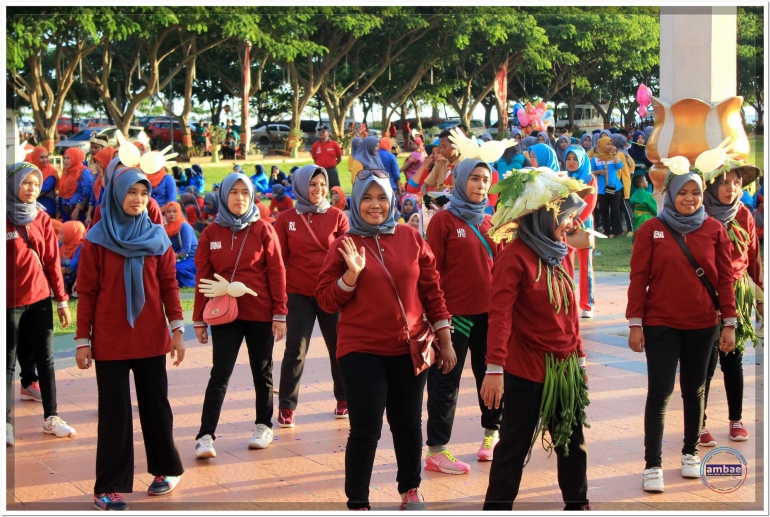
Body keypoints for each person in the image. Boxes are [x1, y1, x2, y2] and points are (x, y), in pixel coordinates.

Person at [315, 168, 454, 511]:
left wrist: (445, 339)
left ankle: (411, 488)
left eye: (381, 197)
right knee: (366, 428)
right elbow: (325, 299)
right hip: (360, 351)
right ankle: (358, 501)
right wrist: (350, 276)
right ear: (355, 201)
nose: (374, 205)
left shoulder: (410, 237)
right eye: (366, 198)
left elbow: (432, 291)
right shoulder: (343, 244)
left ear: (392, 199)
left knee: (407, 423)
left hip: (409, 349)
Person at [76, 166, 186, 510]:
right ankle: (107, 486)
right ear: (116, 194)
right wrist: (82, 340)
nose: (138, 199)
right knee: (114, 413)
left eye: (143, 193)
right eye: (130, 192)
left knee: (156, 407)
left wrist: (177, 330)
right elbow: (88, 293)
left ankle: (167, 469)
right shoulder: (96, 239)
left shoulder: (157, 237)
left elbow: (169, 285)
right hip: (109, 341)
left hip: (152, 338)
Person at [480, 183, 590, 511]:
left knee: (571, 444)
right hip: (526, 370)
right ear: (542, 217)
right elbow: (499, 317)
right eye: (564, 218)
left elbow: (570, 313)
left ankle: (578, 505)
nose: (570, 225)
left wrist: (580, 360)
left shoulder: (561, 251)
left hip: (564, 369)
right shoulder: (514, 257)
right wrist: (495, 368)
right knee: (512, 448)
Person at [626, 170, 737, 493]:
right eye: (683, 192)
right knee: (659, 394)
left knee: (695, 390)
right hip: (660, 324)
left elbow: (725, 280)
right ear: (671, 194)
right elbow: (638, 277)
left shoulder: (715, 229)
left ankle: (690, 454)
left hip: (703, 325)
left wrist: (728, 322)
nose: (690, 198)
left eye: (696, 192)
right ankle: (653, 465)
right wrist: (635, 323)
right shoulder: (651, 229)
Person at [192, 172, 288, 458]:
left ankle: (263, 425)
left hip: (260, 314)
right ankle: (205, 435)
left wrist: (280, 312)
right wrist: (198, 319)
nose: (239, 198)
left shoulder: (263, 229)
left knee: (263, 371)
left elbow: (277, 272)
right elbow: (203, 278)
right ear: (223, 196)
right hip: (225, 315)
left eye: (244, 193)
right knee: (220, 373)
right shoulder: (211, 233)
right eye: (233, 192)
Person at [424, 159, 503, 475]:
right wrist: (436, 319)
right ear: (459, 181)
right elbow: (430, 274)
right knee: (446, 381)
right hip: (453, 318)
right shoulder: (442, 221)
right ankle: (437, 449)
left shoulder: (491, 222)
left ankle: (492, 435)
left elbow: (501, 266)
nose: (480, 185)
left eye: (485, 180)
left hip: (489, 315)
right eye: (473, 178)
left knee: (491, 375)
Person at [6, 162, 76, 447]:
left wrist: (61, 300)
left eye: (36, 184)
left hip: (39, 298)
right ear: (13, 185)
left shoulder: (42, 218)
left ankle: (51, 417)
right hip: (9, 303)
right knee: (8, 362)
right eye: (26, 183)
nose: (32, 188)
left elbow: (51, 262)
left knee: (46, 361)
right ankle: (6, 423)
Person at [274, 165, 350, 426]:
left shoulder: (337, 216)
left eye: (321, 184)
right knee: (295, 349)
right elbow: (279, 261)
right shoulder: (285, 219)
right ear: (300, 186)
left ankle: (343, 399)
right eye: (312, 184)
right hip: (298, 294)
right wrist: (279, 302)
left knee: (339, 348)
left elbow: (347, 256)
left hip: (330, 293)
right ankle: (286, 405)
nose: (318, 189)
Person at [700, 163, 763, 447]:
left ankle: (735, 419)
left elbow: (754, 258)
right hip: (706, 298)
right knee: (705, 362)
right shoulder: (699, 216)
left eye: (736, 183)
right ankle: (698, 423)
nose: (731, 188)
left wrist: (760, 296)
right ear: (711, 186)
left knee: (733, 359)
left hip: (737, 296)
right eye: (724, 183)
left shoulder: (744, 214)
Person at [564, 146, 599, 319]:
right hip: (565, 226)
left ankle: (587, 304)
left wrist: (577, 222)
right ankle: (567, 302)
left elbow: (590, 203)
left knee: (586, 266)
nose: (571, 162)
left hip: (583, 226)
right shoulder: (563, 177)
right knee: (566, 265)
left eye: (575, 159)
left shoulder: (589, 178)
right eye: (568, 158)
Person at [591, 136, 625, 238]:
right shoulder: (595, 158)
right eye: (607, 144)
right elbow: (591, 171)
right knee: (603, 211)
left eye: (611, 144)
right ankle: (606, 230)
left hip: (614, 188)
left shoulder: (614, 156)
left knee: (615, 210)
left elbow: (619, 166)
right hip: (601, 189)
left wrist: (614, 154)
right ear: (601, 145)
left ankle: (615, 231)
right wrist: (599, 172)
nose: (610, 146)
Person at [421, 130, 462, 204]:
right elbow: (425, 185)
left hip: (458, 208)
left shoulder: (466, 165)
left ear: (455, 145)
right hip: (441, 207)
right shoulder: (440, 164)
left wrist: (449, 197)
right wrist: (425, 197)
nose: (441, 150)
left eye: (444, 146)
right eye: (440, 147)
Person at [163, 201, 198, 288]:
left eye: (174, 211)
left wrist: (171, 258)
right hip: (177, 259)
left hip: (192, 258)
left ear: (179, 212)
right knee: (165, 270)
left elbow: (186, 249)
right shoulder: (165, 228)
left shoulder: (184, 226)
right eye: (169, 212)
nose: (171, 214)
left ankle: (196, 281)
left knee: (176, 269)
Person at [57, 148, 93, 223]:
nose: (65, 161)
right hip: (65, 210)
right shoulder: (66, 172)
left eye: (68, 158)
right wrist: (59, 210)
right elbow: (61, 193)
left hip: (78, 212)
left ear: (76, 158)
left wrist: (77, 209)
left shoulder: (84, 172)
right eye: (64, 158)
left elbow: (87, 192)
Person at [611, 134, 636, 235]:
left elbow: (618, 170)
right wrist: (630, 174)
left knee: (625, 207)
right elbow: (633, 164)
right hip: (625, 181)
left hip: (620, 184)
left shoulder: (618, 153)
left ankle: (631, 229)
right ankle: (623, 228)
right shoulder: (625, 152)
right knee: (621, 206)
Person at [85, 146, 116, 226]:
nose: (97, 165)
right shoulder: (97, 176)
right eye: (96, 162)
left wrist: (102, 177)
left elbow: (106, 195)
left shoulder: (114, 178)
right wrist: (88, 215)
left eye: (99, 162)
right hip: (97, 214)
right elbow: (93, 197)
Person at [29, 147, 58, 218]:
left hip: (47, 206)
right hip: (33, 206)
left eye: (46, 157)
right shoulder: (31, 170)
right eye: (41, 157)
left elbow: (45, 188)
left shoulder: (52, 171)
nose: (45, 160)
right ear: (35, 157)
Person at [59, 220, 86, 297]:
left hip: (73, 274)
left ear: (71, 234)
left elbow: (73, 265)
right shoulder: (62, 244)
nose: (59, 236)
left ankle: (72, 291)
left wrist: (58, 271)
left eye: (61, 233)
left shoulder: (81, 247)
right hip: (61, 270)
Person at [629, 174, 657, 244]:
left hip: (636, 215)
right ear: (642, 184)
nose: (647, 182)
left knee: (636, 229)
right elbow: (653, 207)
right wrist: (656, 213)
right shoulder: (647, 195)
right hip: (646, 216)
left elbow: (631, 202)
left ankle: (635, 245)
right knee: (646, 230)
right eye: (646, 180)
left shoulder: (634, 194)